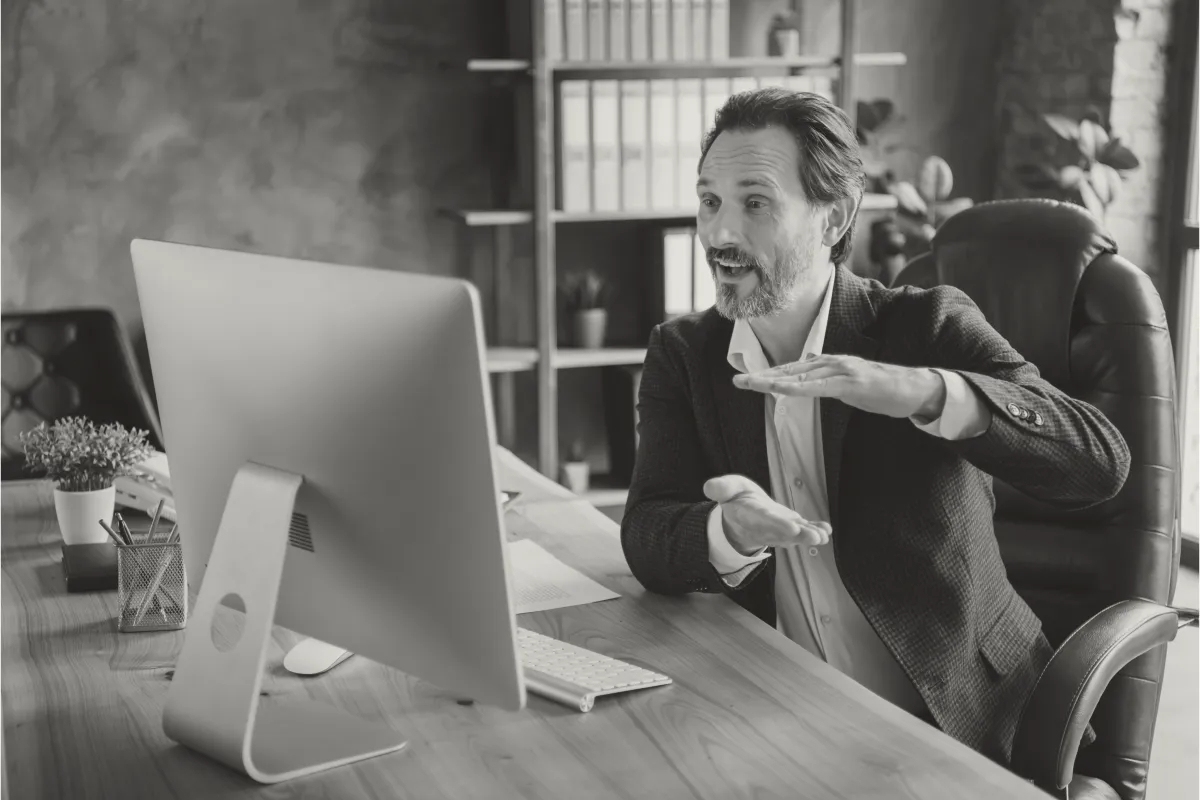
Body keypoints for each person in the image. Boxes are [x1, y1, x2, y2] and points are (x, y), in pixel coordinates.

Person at [619, 88, 1130, 766]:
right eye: (709, 200)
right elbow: (647, 531)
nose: (718, 233)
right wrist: (726, 533)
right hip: (786, 726)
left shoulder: (926, 326)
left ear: (833, 220)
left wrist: (923, 391)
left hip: (958, 728)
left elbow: (1099, 460)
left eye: (755, 202)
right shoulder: (683, 354)